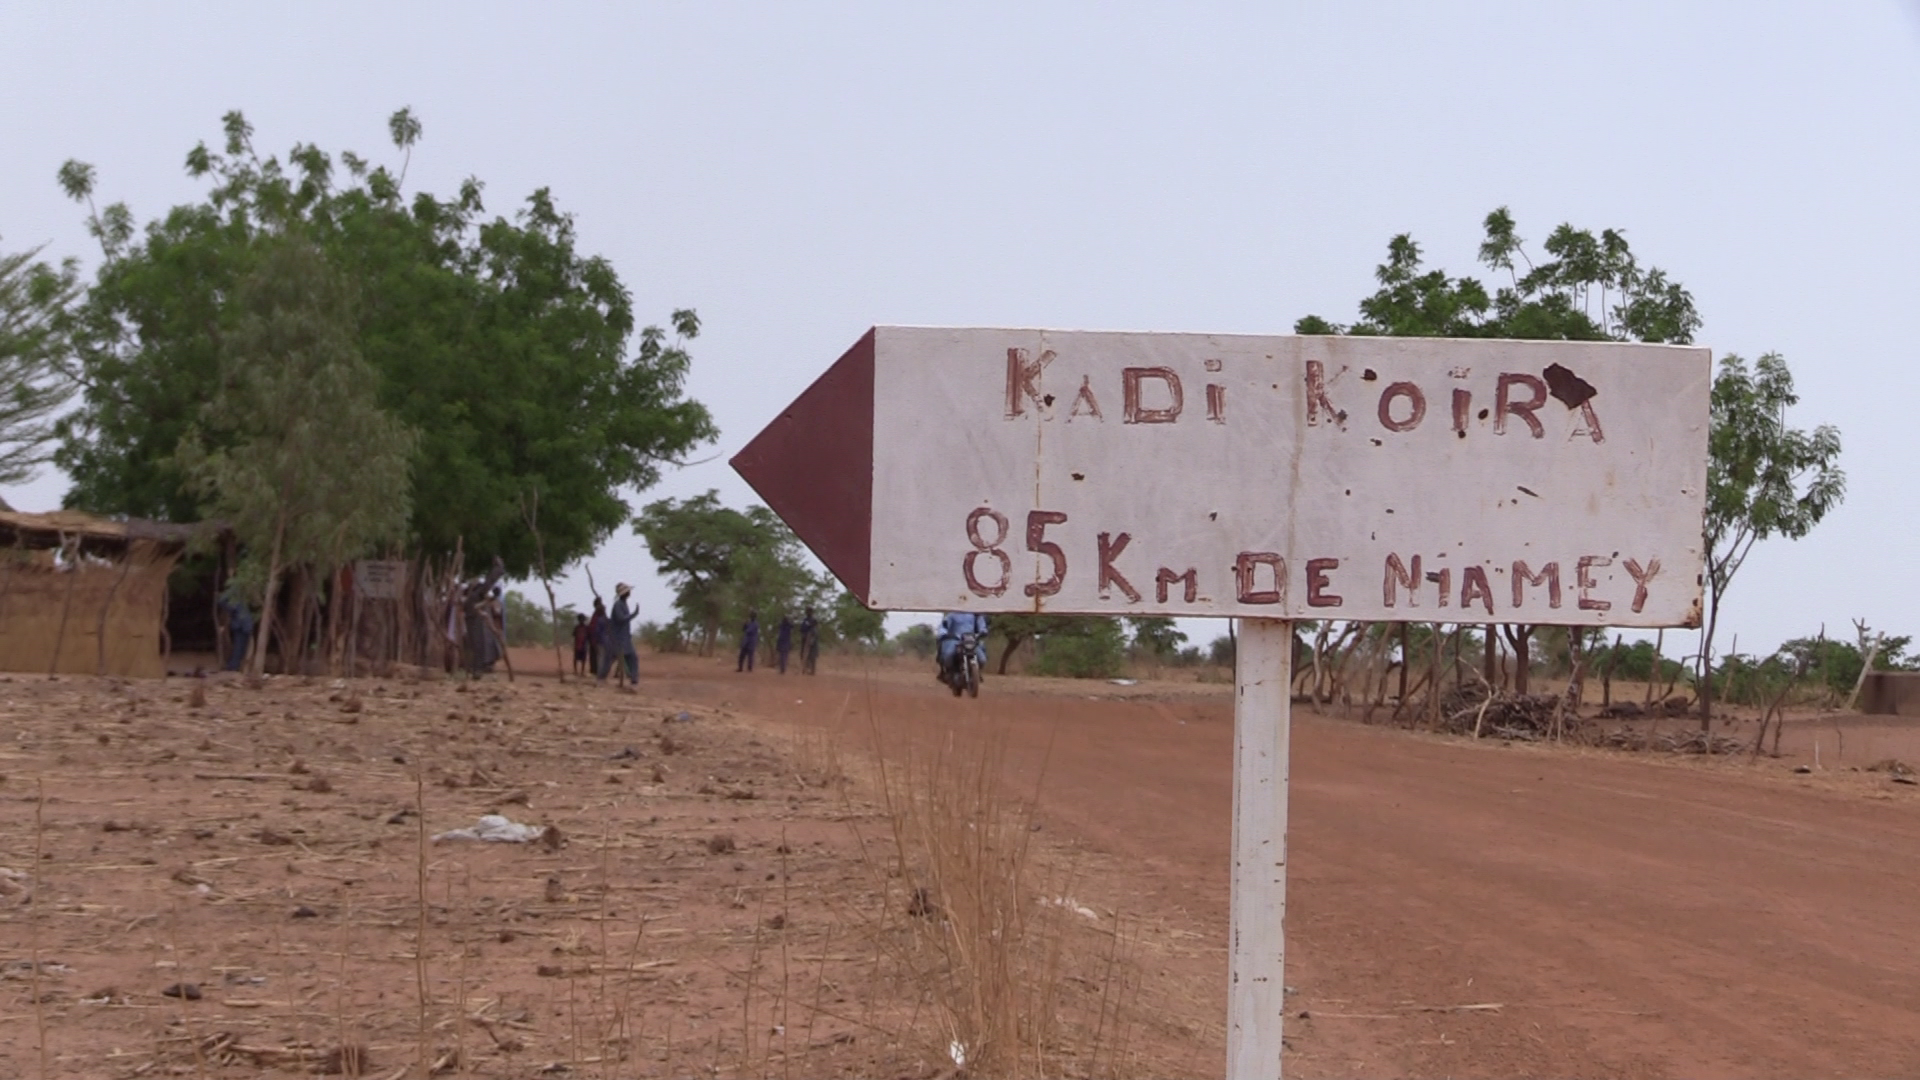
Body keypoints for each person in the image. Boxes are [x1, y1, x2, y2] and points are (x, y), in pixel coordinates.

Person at [598, 583, 640, 685]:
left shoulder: (623, 604)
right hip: (617, 638)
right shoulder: (618, 605)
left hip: (624, 638)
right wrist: (633, 614)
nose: (630, 592)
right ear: (624, 593)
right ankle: (601, 678)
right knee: (610, 659)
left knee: (632, 658)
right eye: (628, 591)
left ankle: (634, 678)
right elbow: (621, 619)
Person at [936, 611, 989, 681]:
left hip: (971, 640)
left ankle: (976, 673)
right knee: (948, 655)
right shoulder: (952, 614)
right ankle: (948, 672)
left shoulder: (976, 615)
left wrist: (983, 631)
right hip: (955, 639)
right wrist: (943, 633)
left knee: (982, 659)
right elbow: (944, 626)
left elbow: (981, 624)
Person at [220, 592, 254, 672]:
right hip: (242, 625)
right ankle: (233, 666)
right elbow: (222, 601)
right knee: (239, 647)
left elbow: (222, 601)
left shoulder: (239, 600)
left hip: (243, 625)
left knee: (241, 648)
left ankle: (234, 666)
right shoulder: (238, 598)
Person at [586, 598, 608, 678]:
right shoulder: (598, 617)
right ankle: (597, 672)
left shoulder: (598, 617)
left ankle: (598, 673)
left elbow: (594, 629)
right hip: (597, 640)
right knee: (599, 657)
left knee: (599, 657)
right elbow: (594, 629)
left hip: (597, 640)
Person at [799, 607, 819, 675]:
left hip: (812, 640)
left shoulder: (813, 620)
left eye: (809, 612)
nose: (808, 613)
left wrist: (812, 639)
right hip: (805, 640)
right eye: (807, 612)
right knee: (804, 655)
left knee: (812, 656)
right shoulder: (805, 620)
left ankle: (812, 671)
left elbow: (815, 631)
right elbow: (802, 629)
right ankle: (805, 669)